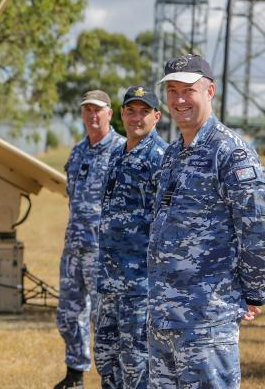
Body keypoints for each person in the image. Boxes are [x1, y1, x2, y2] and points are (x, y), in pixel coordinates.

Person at [148, 54, 265, 387]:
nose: (179, 100)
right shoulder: (172, 155)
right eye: (172, 91)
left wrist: (253, 293)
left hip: (206, 321)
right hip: (163, 319)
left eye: (189, 90)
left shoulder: (231, 153)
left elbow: (255, 229)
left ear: (210, 91)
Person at [94, 86, 167, 388]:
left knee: (137, 365)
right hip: (110, 279)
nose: (137, 118)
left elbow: (166, 220)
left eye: (144, 111)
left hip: (140, 284)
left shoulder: (159, 157)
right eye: (131, 110)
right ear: (121, 114)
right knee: (106, 359)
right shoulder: (116, 153)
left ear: (157, 117)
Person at [55, 90, 126, 389]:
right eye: (87, 110)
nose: (92, 115)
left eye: (98, 110)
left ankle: (114, 380)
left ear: (110, 113)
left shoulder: (123, 150)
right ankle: (75, 374)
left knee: (106, 320)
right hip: (74, 247)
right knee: (69, 314)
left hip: (104, 253)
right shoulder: (77, 152)